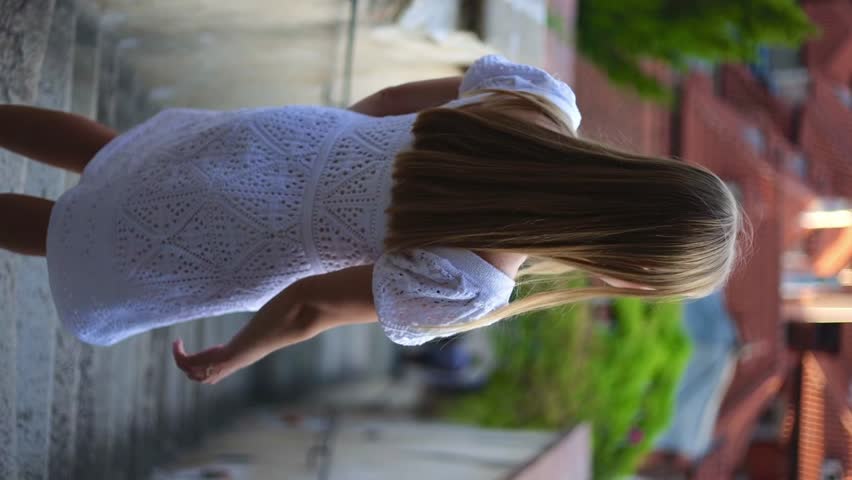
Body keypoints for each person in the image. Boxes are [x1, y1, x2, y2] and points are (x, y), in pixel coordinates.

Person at [0, 55, 745, 384]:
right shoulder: (473, 282)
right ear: (624, 267)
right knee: (80, 231)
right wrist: (234, 355)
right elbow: (309, 305)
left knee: (125, 156)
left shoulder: (539, 103)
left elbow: (390, 98)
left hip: (282, 141)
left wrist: (310, 146)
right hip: (255, 233)